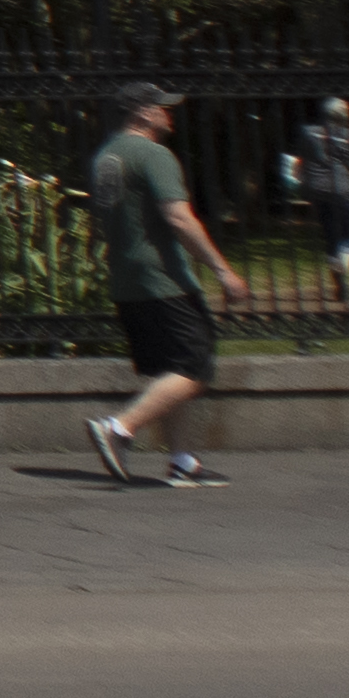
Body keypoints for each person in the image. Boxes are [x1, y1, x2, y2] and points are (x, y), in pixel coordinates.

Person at [82, 84, 246, 485]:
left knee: (170, 372)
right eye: (161, 108)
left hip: (127, 282)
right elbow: (179, 218)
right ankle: (119, 428)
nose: (168, 114)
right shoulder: (154, 155)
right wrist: (222, 270)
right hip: (164, 280)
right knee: (194, 368)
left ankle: (182, 462)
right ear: (141, 112)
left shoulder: (107, 156)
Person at [286, 95, 349, 312]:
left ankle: (340, 285)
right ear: (344, 115)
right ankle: (343, 261)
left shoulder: (308, 133)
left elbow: (298, 157)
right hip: (343, 190)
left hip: (317, 191)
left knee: (331, 236)